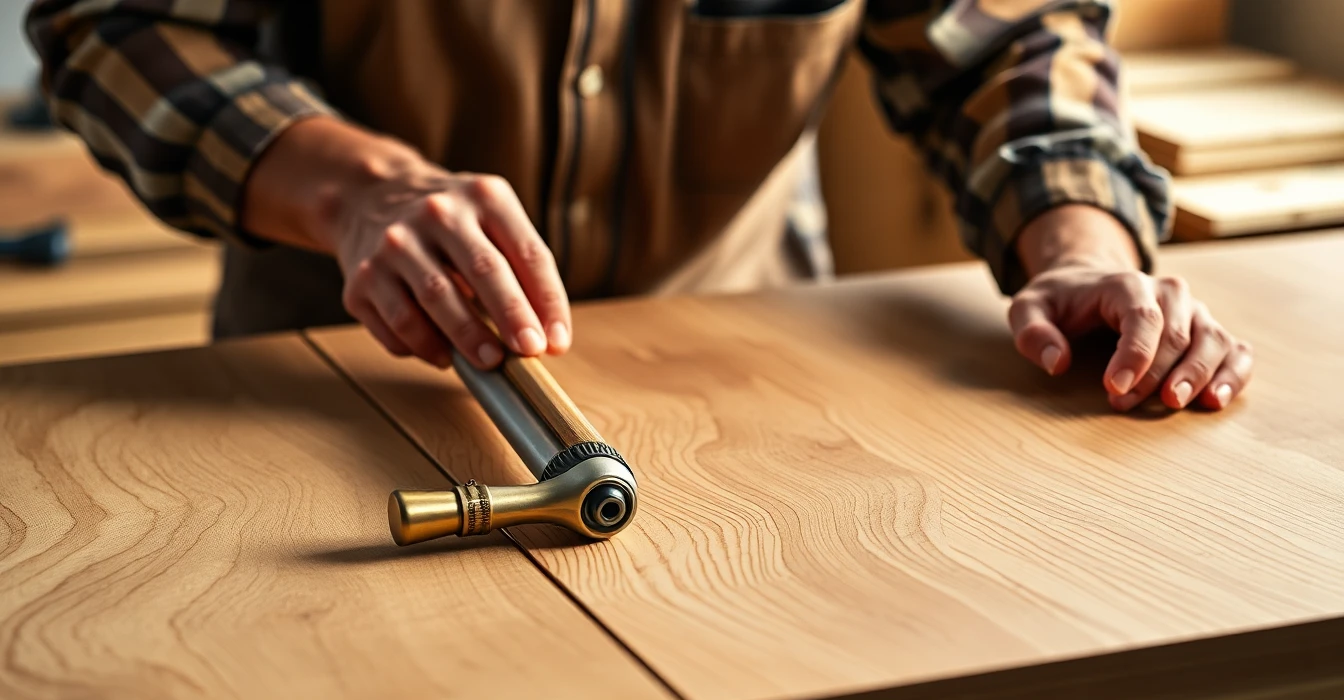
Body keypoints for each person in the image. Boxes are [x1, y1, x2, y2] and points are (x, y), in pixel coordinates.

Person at [26, 0, 1252, 412]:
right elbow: (119, 24)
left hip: (752, 396)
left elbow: (1008, 40)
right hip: (330, 378)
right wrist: (356, 189)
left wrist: (1081, 247)